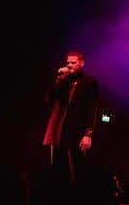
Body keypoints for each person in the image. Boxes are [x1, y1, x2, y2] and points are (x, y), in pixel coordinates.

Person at [42, 50, 100, 186]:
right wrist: (60, 78)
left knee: (75, 166)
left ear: (81, 63)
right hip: (59, 129)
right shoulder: (64, 80)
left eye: (73, 63)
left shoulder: (89, 82)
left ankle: (76, 194)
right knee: (57, 165)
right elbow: (49, 99)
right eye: (68, 63)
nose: (69, 65)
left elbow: (92, 109)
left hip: (77, 130)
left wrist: (88, 134)